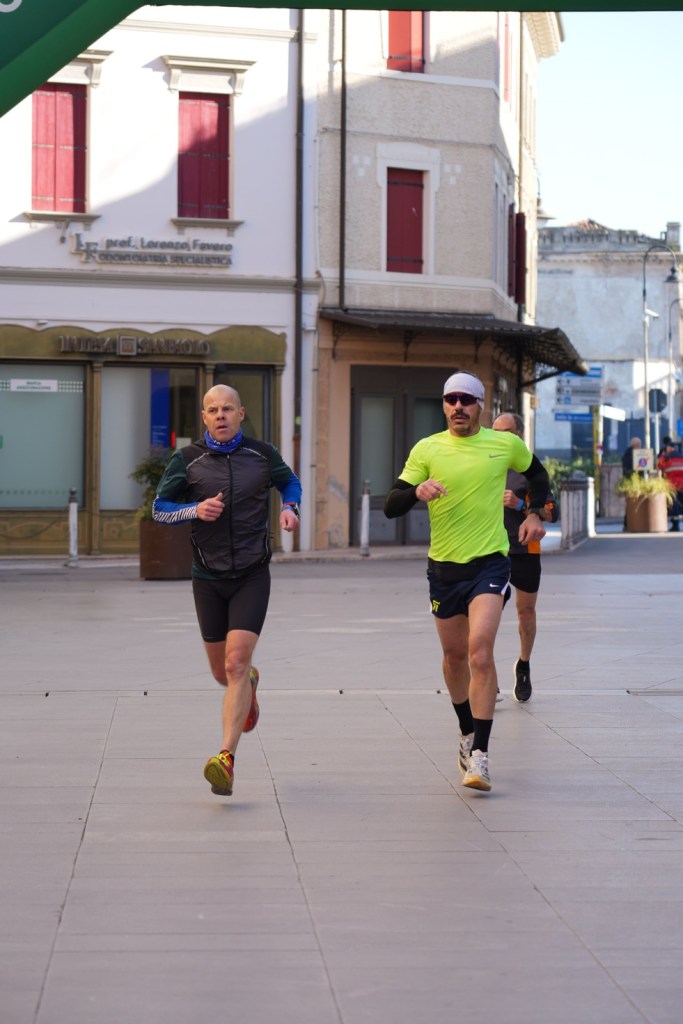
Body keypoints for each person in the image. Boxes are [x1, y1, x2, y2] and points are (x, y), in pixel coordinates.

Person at [384, 371, 549, 793]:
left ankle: (481, 755)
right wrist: (416, 491)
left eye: (466, 400)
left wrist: (534, 513)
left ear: (480, 406)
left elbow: (539, 476)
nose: (458, 406)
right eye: (451, 399)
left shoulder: (503, 444)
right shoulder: (427, 449)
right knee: (454, 657)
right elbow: (391, 505)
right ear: (444, 405)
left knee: (479, 652)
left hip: (490, 563)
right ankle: (466, 730)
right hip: (443, 568)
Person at [152, 384, 301, 797]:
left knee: (235, 662)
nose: (221, 415)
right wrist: (195, 509)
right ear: (204, 417)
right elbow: (159, 509)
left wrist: (290, 508)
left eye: (228, 409)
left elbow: (290, 483)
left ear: (241, 413)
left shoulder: (262, 454)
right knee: (223, 674)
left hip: (252, 573)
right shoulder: (188, 459)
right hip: (207, 577)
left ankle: (226, 758)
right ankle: (249, 682)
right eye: (213, 410)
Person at [492, 412, 558, 703]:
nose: (500, 437)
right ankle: (487, 679)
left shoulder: (530, 469)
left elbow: (553, 513)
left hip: (525, 550)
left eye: (507, 432)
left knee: (525, 613)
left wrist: (521, 504)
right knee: (487, 616)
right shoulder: (485, 464)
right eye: (495, 431)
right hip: (490, 550)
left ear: (519, 435)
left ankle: (523, 665)